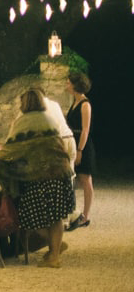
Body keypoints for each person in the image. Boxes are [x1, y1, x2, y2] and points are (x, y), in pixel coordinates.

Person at [0, 89, 74, 268]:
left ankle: (53, 249)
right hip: (59, 172)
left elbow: (11, 149)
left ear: (24, 103)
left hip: (37, 176)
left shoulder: (23, 122)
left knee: (28, 217)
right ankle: (54, 254)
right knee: (56, 216)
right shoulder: (49, 119)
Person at [65, 71, 96, 231]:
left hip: (82, 144)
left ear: (76, 85)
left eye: (68, 82)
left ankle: (86, 215)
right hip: (73, 141)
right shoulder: (74, 102)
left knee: (85, 179)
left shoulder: (85, 104)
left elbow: (85, 130)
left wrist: (80, 150)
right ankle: (75, 214)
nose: (66, 84)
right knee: (74, 179)